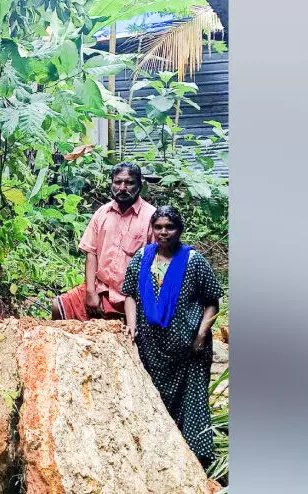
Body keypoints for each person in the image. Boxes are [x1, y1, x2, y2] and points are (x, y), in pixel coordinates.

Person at [121, 205, 224, 468]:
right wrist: (131, 325)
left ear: (179, 230)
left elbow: (213, 301)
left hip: (188, 351)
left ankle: (195, 461)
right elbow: (130, 293)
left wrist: (201, 335)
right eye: (158, 227)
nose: (163, 232)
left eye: (170, 227)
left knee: (191, 402)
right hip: (152, 348)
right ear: (152, 229)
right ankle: (157, 458)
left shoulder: (193, 261)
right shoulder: (143, 257)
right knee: (154, 400)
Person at [52, 162, 155, 321]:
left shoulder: (152, 217)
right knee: (58, 307)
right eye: (118, 182)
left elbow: (159, 265)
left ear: (139, 185)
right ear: (112, 184)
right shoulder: (102, 213)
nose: (122, 187)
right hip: (100, 289)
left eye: (129, 183)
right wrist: (91, 292)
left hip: (131, 297)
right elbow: (91, 253)